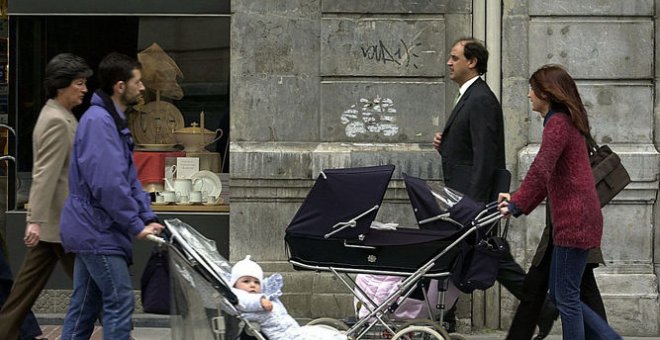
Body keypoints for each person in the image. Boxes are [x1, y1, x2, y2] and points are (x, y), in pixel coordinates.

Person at [433, 37, 553, 332]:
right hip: (466, 197)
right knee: (476, 256)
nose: (449, 62)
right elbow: (472, 149)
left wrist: (470, 205)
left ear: (471, 62)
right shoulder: (469, 96)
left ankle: (542, 306)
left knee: (490, 257)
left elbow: (486, 157)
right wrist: (446, 145)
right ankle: (441, 317)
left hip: (472, 200)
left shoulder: (481, 99)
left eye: (454, 57)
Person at [498, 64, 620, 339]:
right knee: (566, 293)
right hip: (580, 218)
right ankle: (609, 337)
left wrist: (517, 205)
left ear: (546, 94)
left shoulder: (557, 124)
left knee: (565, 298)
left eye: (532, 89)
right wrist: (518, 199)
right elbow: (546, 177)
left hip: (573, 220)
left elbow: (541, 169)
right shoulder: (563, 122)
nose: (529, 95)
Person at [59, 52, 164, 340]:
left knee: (84, 307)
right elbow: (108, 184)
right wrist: (135, 223)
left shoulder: (112, 121)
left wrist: (147, 215)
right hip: (96, 229)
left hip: (95, 227)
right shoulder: (100, 123)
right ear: (120, 86)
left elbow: (128, 178)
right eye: (137, 82)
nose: (142, 88)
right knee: (119, 300)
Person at [0, 53, 93, 340]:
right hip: (59, 224)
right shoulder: (56, 120)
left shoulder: (61, 116)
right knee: (96, 285)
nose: (84, 89)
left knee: (23, 292)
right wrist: (36, 220)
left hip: (57, 224)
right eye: (79, 83)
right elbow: (44, 174)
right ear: (62, 85)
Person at [507, 206, 609, 340]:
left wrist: (515, 203)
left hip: (571, 229)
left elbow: (539, 185)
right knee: (555, 292)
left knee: (566, 295)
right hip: (560, 227)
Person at [230, 256, 346, 340]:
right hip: (283, 335)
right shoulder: (238, 296)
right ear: (234, 284)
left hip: (290, 329)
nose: (252, 285)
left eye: (256, 282)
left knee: (321, 333)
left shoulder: (260, 296)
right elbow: (244, 301)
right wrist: (259, 301)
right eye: (246, 281)